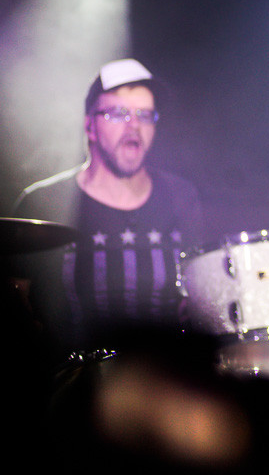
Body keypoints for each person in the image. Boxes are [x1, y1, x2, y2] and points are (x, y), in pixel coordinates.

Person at [14, 58, 204, 351]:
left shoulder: (181, 196)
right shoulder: (42, 202)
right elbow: (15, 301)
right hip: (73, 383)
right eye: (118, 113)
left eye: (145, 115)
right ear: (90, 126)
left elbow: (200, 293)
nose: (134, 126)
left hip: (163, 380)